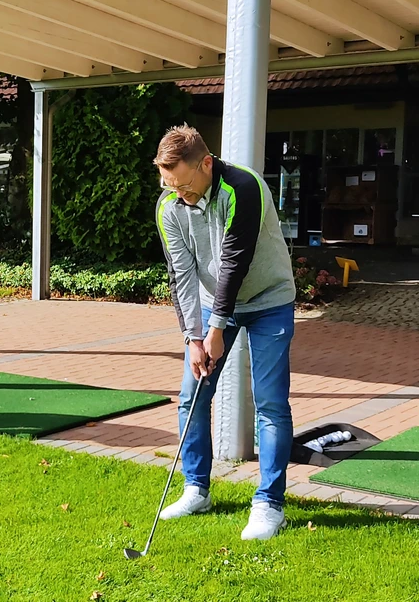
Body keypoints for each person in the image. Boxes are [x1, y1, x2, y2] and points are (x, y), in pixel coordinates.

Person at [152, 125, 296, 542]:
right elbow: (180, 275)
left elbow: (235, 261)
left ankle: (269, 504)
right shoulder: (169, 207)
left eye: (184, 185)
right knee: (192, 395)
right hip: (212, 304)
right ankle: (197, 489)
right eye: (169, 185)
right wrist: (193, 338)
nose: (179, 194)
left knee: (270, 402)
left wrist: (216, 328)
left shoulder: (242, 187)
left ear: (207, 164)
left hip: (269, 300)